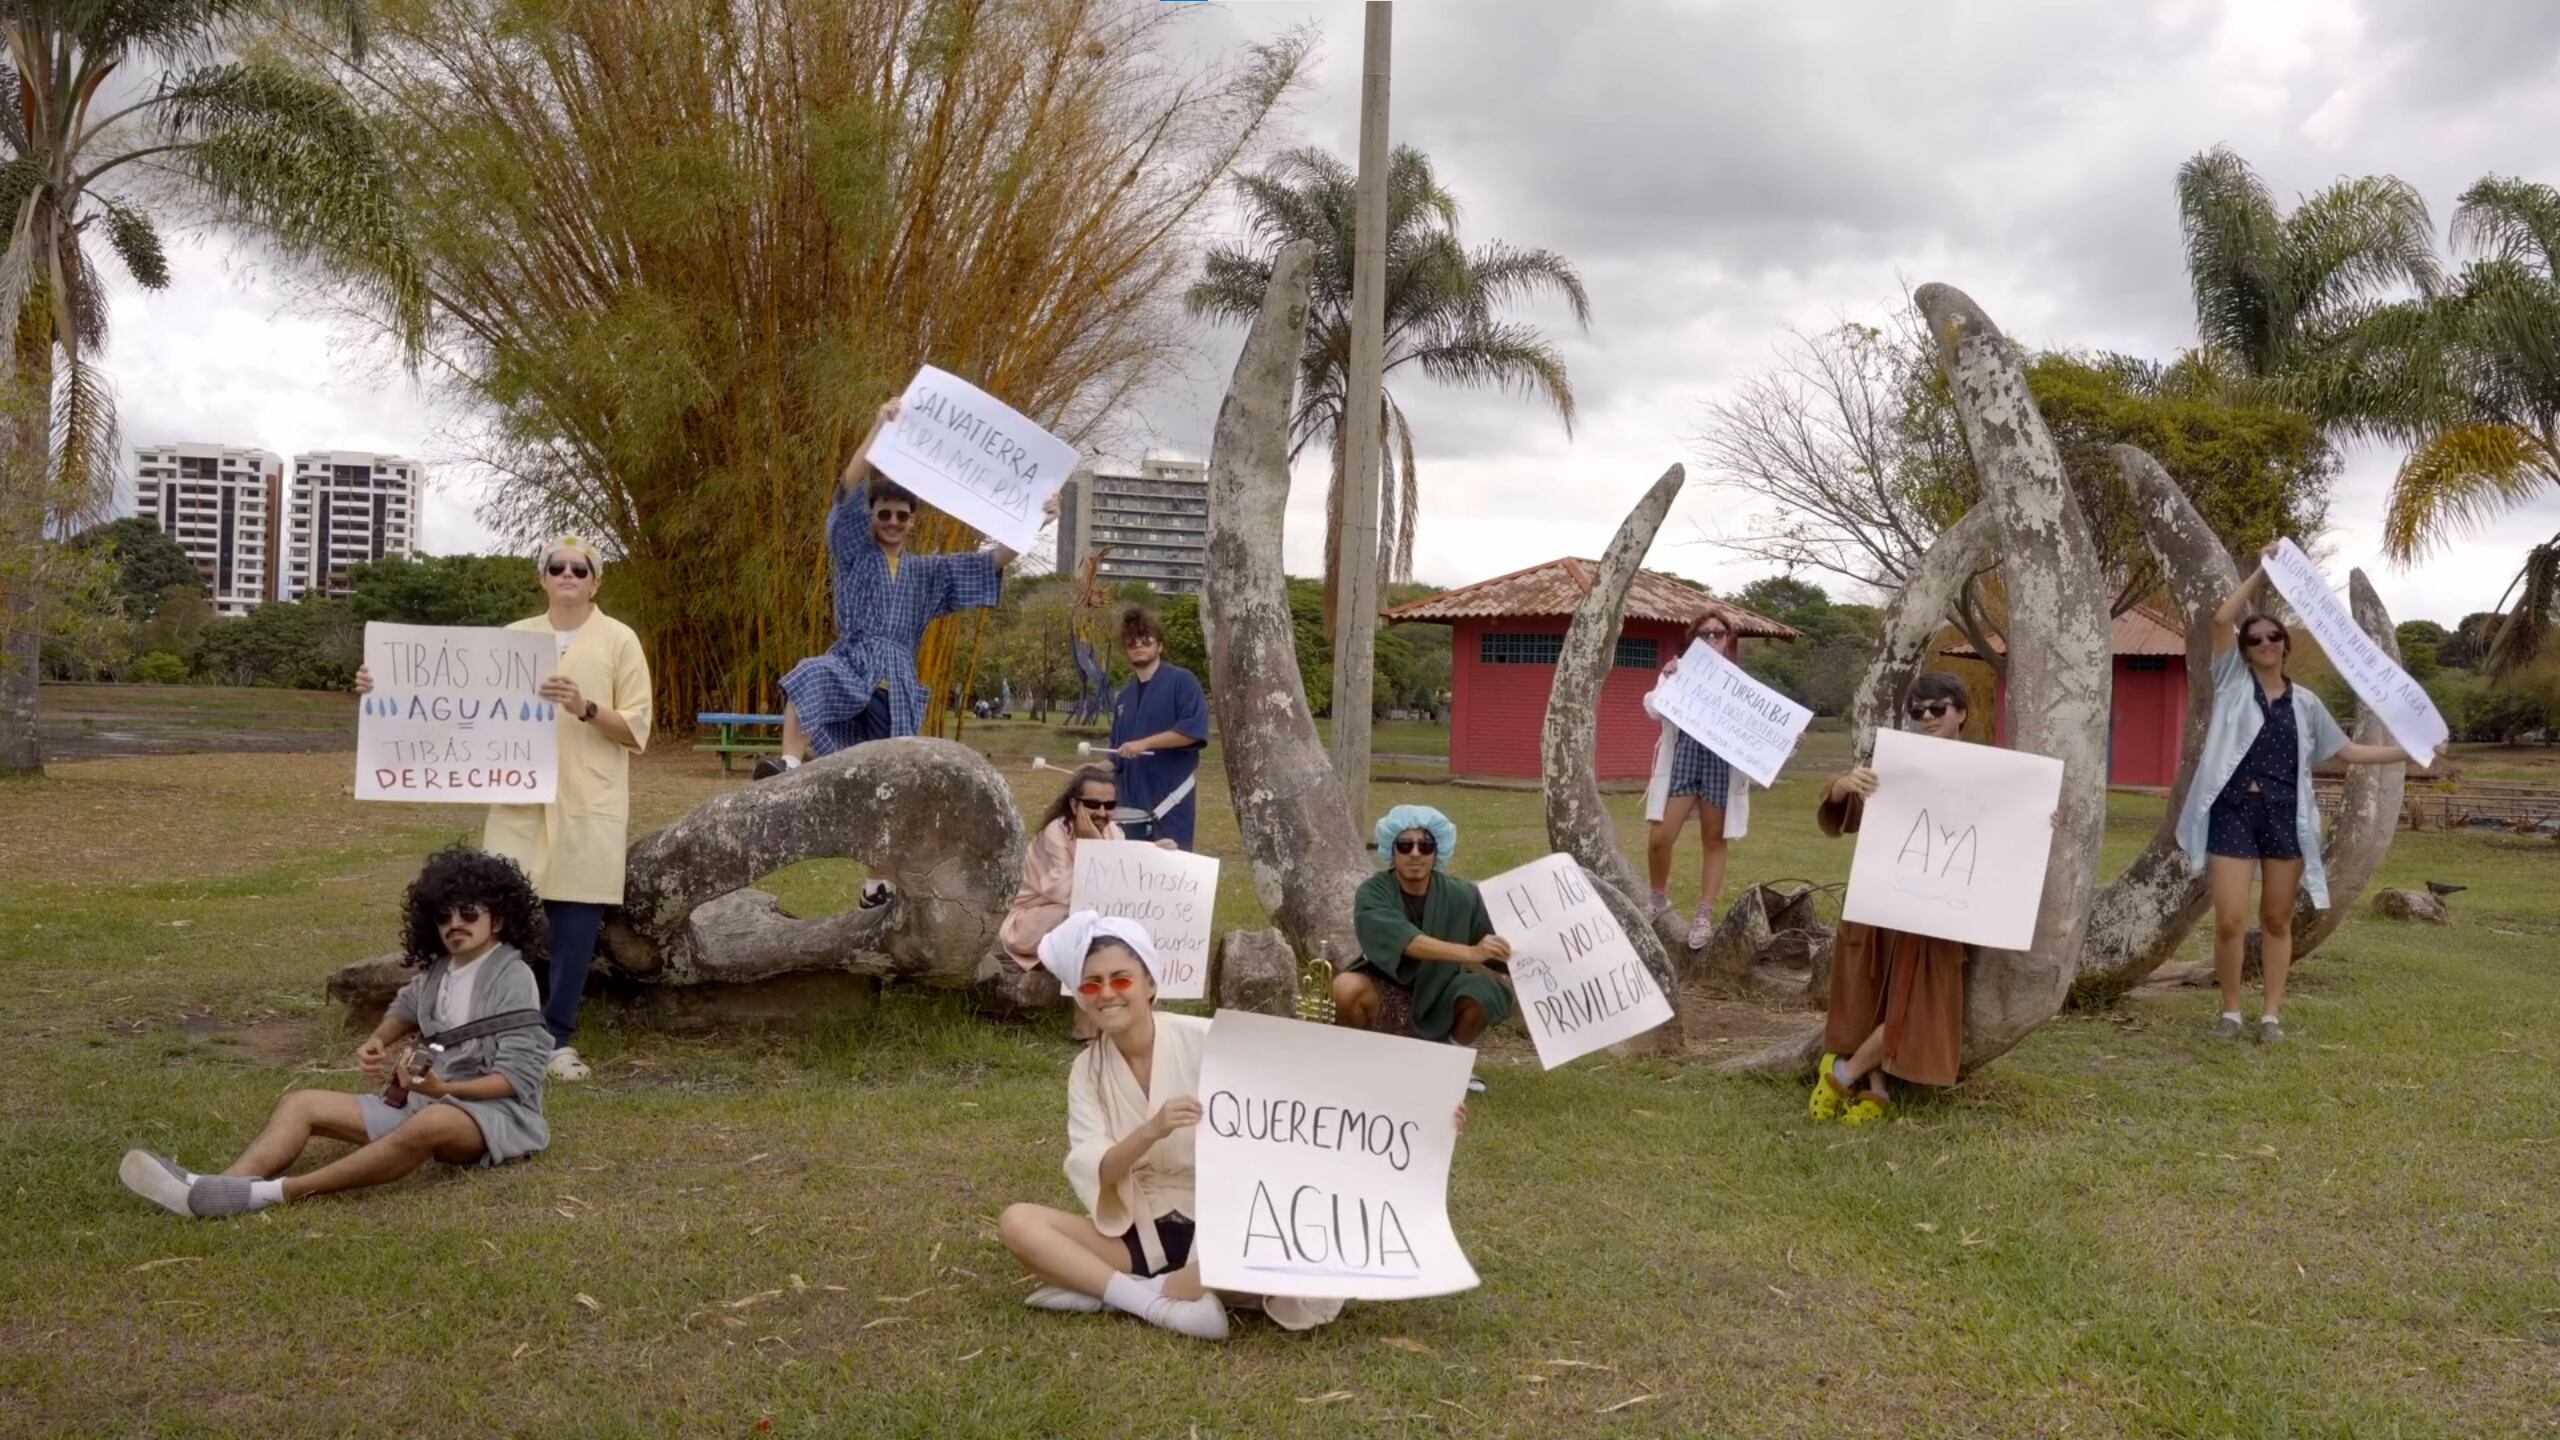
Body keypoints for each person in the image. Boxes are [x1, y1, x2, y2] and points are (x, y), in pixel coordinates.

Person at [356, 535, 652, 1082]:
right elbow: (451, 701)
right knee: (490, 915)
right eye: (556, 567)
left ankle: (557, 1038)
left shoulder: (619, 641)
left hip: (588, 797)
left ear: (596, 580)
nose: (568, 575)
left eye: (579, 568)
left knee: (575, 917)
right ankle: (475, 1028)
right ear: (542, 578)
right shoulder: (513, 640)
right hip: (518, 794)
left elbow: (637, 728)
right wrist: (385, 685)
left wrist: (584, 707)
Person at [118, 847, 553, 1217]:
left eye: (469, 912)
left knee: (432, 1122)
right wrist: (378, 1039)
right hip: (423, 1101)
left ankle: (271, 1193)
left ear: (497, 919)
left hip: (492, 1117)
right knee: (301, 1103)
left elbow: (516, 1079)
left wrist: (442, 1089)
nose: (455, 922)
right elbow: (406, 1005)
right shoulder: (440, 968)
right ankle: (218, 1188)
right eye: (444, 915)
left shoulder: (513, 977)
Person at [995, 913, 1346, 1341]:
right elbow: (1099, 1170)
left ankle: (1123, 1290)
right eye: (1092, 985)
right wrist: (1152, 1129)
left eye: (1121, 980)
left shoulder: (1210, 1038)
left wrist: (1432, 1121)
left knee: (1309, 1244)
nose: (1107, 993)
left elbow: (1308, 1101)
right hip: (1141, 1229)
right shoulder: (1086, 1071)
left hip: (1224, 1226)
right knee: (1018, 1224)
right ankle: (1159, 1302)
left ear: (1150, 985)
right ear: (1083, 998)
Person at [2180, 543, 2438, 1044]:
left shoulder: (2307, 704)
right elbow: (2219, 619)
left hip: (2284, 816)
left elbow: (2347, 753)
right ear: (2246, 649)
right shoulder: (2231, 683)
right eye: (2255, 639)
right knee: (2230, 918)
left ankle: (2271, 1015)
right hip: (2235, 811)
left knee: (2276, 918)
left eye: (2274, 636)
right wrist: (2263, 569)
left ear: (2286, 645)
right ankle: (2230, 1013)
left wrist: (2408, 753)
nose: (2265, 643)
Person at [758, 399, 1057, 774]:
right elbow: (846, 492)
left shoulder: (928, 572)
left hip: (895, 683)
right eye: (884, 513)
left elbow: (989, 561)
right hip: (851, 663)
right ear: (871, 516)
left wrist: (1036, 522)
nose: (893, 522)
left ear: (913, 521)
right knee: (811, 674)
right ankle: (788, 765)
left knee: (885, 770)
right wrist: (878, 427)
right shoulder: (854, 553)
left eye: (902, 515)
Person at [1809, 673, 1976, 1125]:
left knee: (1917, 1003)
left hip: (1940, 916)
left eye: (1937, 709)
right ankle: (1875, 1088)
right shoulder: (1895, 764)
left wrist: (2042, 818)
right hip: (1882, 904)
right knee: (1870, 993)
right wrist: (1845, 786)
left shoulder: (1989, 772)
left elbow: (2011, 823)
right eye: (1917, 712)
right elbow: (1845, 807)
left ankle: (1842, 1073)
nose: (1926, 719)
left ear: (1961, 711)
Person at [1336, 805, 1514, 1083]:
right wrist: (1470, 952)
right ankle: (1364, 1064)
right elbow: (1407, 940)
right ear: (1391, 851)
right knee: (1345, 988)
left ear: (1437, 850)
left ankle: (1447, 1063)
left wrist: (1547, 955)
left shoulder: (1462, 895)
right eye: (1405, 845)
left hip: (1440, 993)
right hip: (1385, 990)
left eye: (1425, 845)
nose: (1415, 853)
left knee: (1485, 991)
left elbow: (1497, 946)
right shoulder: (1373, 892)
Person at [1001, 766, 1178, 1037]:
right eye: (1093, 804)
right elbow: (1066, 891)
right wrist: (1093, 846)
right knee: (1083, 921)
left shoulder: (1113, 832)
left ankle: (1139, 1007)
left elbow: (1125, 879)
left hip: (1076, 913)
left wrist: (1156, 854)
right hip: (1032, 919)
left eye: (1109, 805)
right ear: (1075, 804)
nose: (1102, 812)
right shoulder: (1056, 833)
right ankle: (1084, 1025)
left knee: (1113, 923)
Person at [1645, 608, 1747, 949]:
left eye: (1719, 633)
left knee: (1714, 838)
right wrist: (1670, 678)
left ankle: (1704, 914)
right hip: (1685, 756)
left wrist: (1788, 740)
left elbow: (1759, 732)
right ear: (1694, 638)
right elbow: (1654, 709)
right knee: (1661, 835)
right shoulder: (1677, 671)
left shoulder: (1739, 684)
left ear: (1727, 638)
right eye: (1705, 633)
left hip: (1720, 763)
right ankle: (1658, 898)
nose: (1713, 638)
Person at [1106, 606, 1211, 849]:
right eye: (1132, 643)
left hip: (1170, 802)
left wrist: (1146, 743)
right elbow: (1117, 754)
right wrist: (1098, 766)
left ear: (1159, 646)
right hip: (1129, 806)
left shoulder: (1182, 681)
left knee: (1167, 878)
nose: (1139, 646)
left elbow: (1192, 730)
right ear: (1127, 651)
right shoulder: (1124, 697)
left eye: (1146, 641)